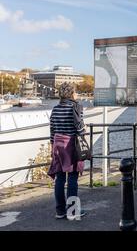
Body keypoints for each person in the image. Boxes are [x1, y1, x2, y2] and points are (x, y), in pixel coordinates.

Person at [48, 82, 86, 220]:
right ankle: (72, 211)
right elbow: (81, 130)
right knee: (72, 178)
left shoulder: (55, 108)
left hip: (57, 144)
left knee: (59, 178)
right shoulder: (75, 108)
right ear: (72, 93)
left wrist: (52, 145)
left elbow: (52, 130)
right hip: (70, 145)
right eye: (75, 92)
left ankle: (60, 211)